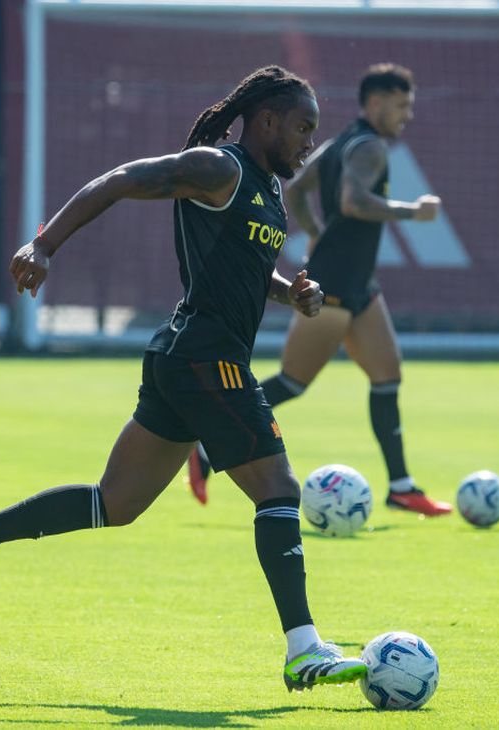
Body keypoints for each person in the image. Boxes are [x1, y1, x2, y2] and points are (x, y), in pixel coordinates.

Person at [0, 66, 367, 692]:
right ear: (266, 120)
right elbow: (121, 179)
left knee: (116, 504)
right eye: (302, 128)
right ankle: (304, 649)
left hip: (183, 357)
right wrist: (44, 245)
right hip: (207, 358)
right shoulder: (220, 168)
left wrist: (290, 291)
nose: (310, 142)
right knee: (279, 488)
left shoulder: (265, 187)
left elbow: (242, 266)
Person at [186, 63, 453, 517]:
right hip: (334, 283)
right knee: (293, 381)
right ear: (376, 102)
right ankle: (208, 445)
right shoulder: (370, 147)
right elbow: (353, 200)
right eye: (401, 106)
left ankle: (402, 487)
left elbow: (298, 191)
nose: (407, 115)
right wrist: (413, 212)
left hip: (359, 284)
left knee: (387, 376)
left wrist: (314, 232)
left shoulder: (341, 143)